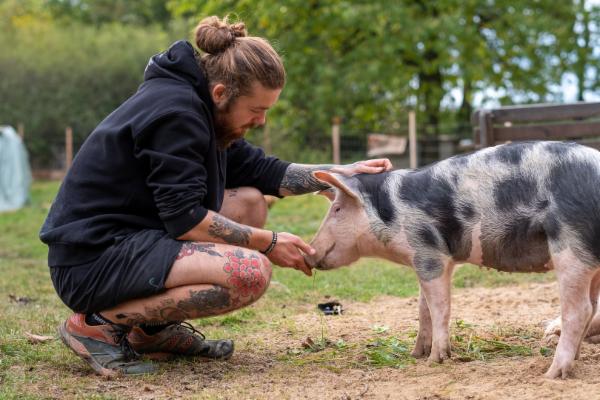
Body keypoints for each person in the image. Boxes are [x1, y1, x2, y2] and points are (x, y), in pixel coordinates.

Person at [39, 15, 392, 376]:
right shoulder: (177, 114)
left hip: (132, 240)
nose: (261, 121)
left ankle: (151, 331)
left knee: (250, 202)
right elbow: (185, 219)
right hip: (91, 260)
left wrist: (338, 175)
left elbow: (264, 171)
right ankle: (97, 326)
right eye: (257, 110)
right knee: (249, 273)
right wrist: (269, 243)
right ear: (221, 93)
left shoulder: (205, 111)